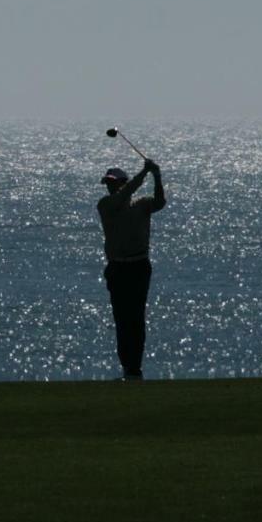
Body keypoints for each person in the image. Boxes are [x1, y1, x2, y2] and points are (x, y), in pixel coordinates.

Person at [97, 158, 166, 380]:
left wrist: (156, 175)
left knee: (135, 318)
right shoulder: (106, 205)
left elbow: (160, 202)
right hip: (117, 267)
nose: (110, 186)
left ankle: (134, 368)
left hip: (138, 266)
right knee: (122, 319)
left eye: (113, 182)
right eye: (108, 183)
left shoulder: (142, 204)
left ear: (122, 183)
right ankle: (128, 367)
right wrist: (144, 172)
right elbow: (122, 197)